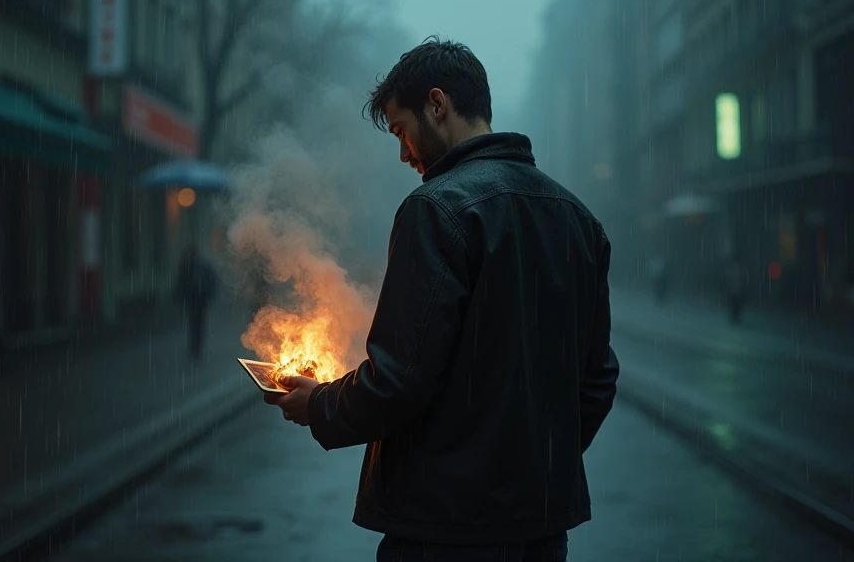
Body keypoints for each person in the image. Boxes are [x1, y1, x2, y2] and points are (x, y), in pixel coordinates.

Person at [264, 37, 619, 562]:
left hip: (445, 533)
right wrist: (534, 465)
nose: (404, 151)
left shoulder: (437, 209)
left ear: (438, 104)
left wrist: (318, 403)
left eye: (403, 131)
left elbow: (399, 379)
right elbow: (597, 380)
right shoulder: (578, 219)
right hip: (542, 529)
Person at [174, 242, 218, 360]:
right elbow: (212, 281)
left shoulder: (188, 265)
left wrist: (181, 297)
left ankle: (195, 347)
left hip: (194, 300)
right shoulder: (200, 265)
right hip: (198, 300)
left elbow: (181, 283)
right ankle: (196, 347)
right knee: (198, 324)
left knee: (194, 323)